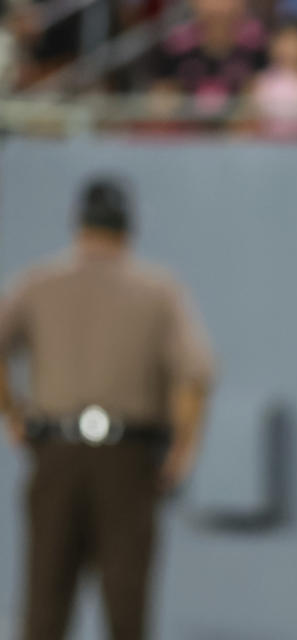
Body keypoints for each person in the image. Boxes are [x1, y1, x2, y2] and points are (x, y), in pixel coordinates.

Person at [0, 177, 215, 640]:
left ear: (79, 223)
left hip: (54, 452)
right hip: (129, 460)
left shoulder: (39, 283)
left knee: (44, 606)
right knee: (126, 609)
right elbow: (195, 374)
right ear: (127, 227)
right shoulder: (157, 290)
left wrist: (12, 415)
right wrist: (182, 451)